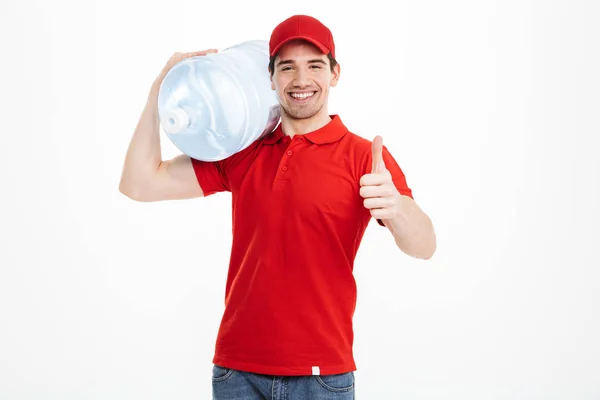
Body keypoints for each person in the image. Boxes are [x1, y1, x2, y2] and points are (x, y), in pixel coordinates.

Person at [119, 14, 436, 400]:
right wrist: (159, 92)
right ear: (271, 78)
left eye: (315, 66)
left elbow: (424, 246)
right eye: (287, 68)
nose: (301, 80)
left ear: (335, 74)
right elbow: (139, 182)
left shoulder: (363, 156)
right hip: (236, 371)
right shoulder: (241, 151)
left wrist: (395, 207)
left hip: (320, 375)